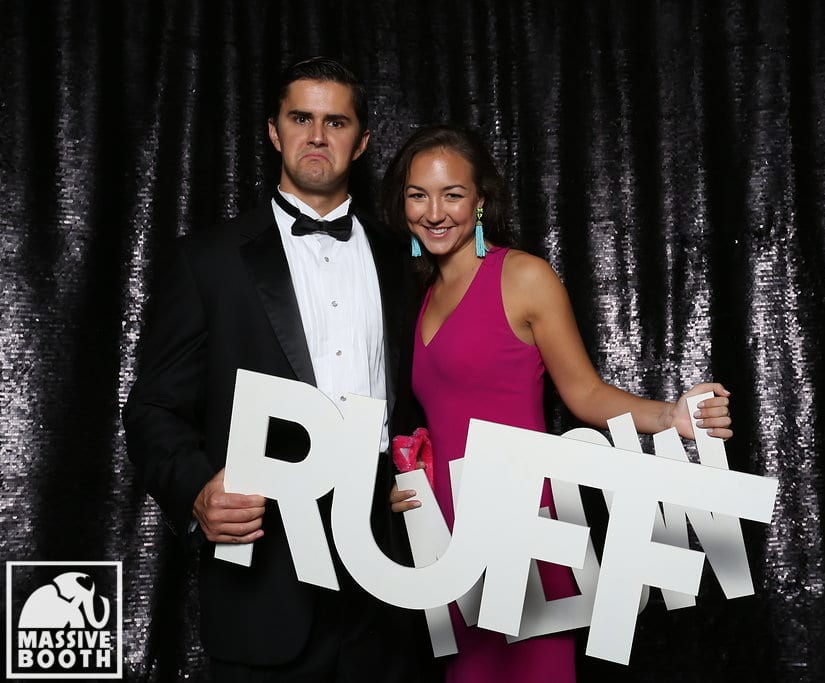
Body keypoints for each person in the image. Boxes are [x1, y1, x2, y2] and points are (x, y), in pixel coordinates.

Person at [382, 124, 733, 682]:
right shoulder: (420, 296)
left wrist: (670, 416)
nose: (435, 212)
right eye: (418, 195)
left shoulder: (522, 276)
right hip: (447, 533)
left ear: (480, 201)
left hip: (523, 520)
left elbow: (584, 393)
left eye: (453, 194)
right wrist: (411, 484)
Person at [123, 57, 433, 682]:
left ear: (362, 141)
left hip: (387, 577)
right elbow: (153, 408)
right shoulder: (208, 260)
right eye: (300, 118)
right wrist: (197, 490)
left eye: (336, 122)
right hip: (264, 577)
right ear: (273, 131)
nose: (317, 136)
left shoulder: (405, 258)